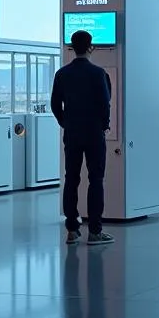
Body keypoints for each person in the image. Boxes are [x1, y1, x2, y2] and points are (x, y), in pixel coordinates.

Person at [51, 30, 114, 246]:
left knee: (71, 179)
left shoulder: (62, 74)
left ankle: (72, 229)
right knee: (95, 179)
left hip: (72, 133)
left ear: (71, 47)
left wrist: (65, 122)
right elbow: (105, 103)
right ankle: (95, 231)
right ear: (90, 47)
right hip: (94, 133)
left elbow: (55, 105)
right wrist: (104, 126)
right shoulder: (98, 74)